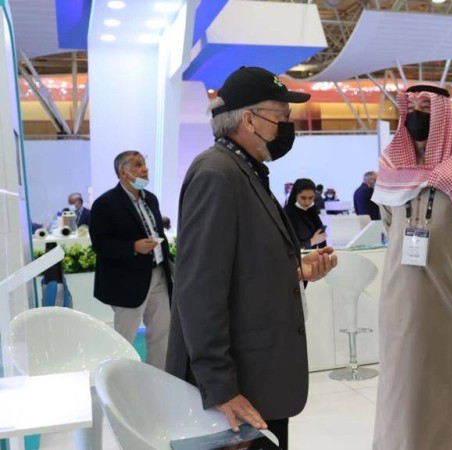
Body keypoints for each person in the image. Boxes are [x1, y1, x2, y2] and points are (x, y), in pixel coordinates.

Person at [165, 67, 337, 450]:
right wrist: (221, 387)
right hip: (235, 393)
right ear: (249, 119)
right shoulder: (217, 174)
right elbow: (199, 290)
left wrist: (296, 271)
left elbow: (242, 267)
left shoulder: (244, 170)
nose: (287, 126)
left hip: (259, 380)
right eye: (281, 116)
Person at [371, 84, 452, 450]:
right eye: (411, 106)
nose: (417, 114)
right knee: (400, 385)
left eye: (427, 107)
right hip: (401, 296)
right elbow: (390, 225)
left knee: (447, 383)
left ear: (443, 114)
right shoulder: (390, 168)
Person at [89, 151, 173, 369]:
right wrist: (133, 247)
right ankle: (117, 379)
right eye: (137, 165)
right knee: (124, 338)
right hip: (127, 280)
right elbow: (100, 244)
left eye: (144, 163)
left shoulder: (151, 199)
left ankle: (157, 377)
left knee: (162, 331)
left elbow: (158, 233)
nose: (145, 169)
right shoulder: (105, 204)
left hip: (158, 274)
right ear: (123, 172)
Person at [284, 178, 328, 249]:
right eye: (303, 198)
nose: (307, 202)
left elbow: (321, 237)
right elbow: (287, 246)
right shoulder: (287, 214)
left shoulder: (312, 211)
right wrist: (312, 241)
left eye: (311, 198)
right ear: (295, 195)